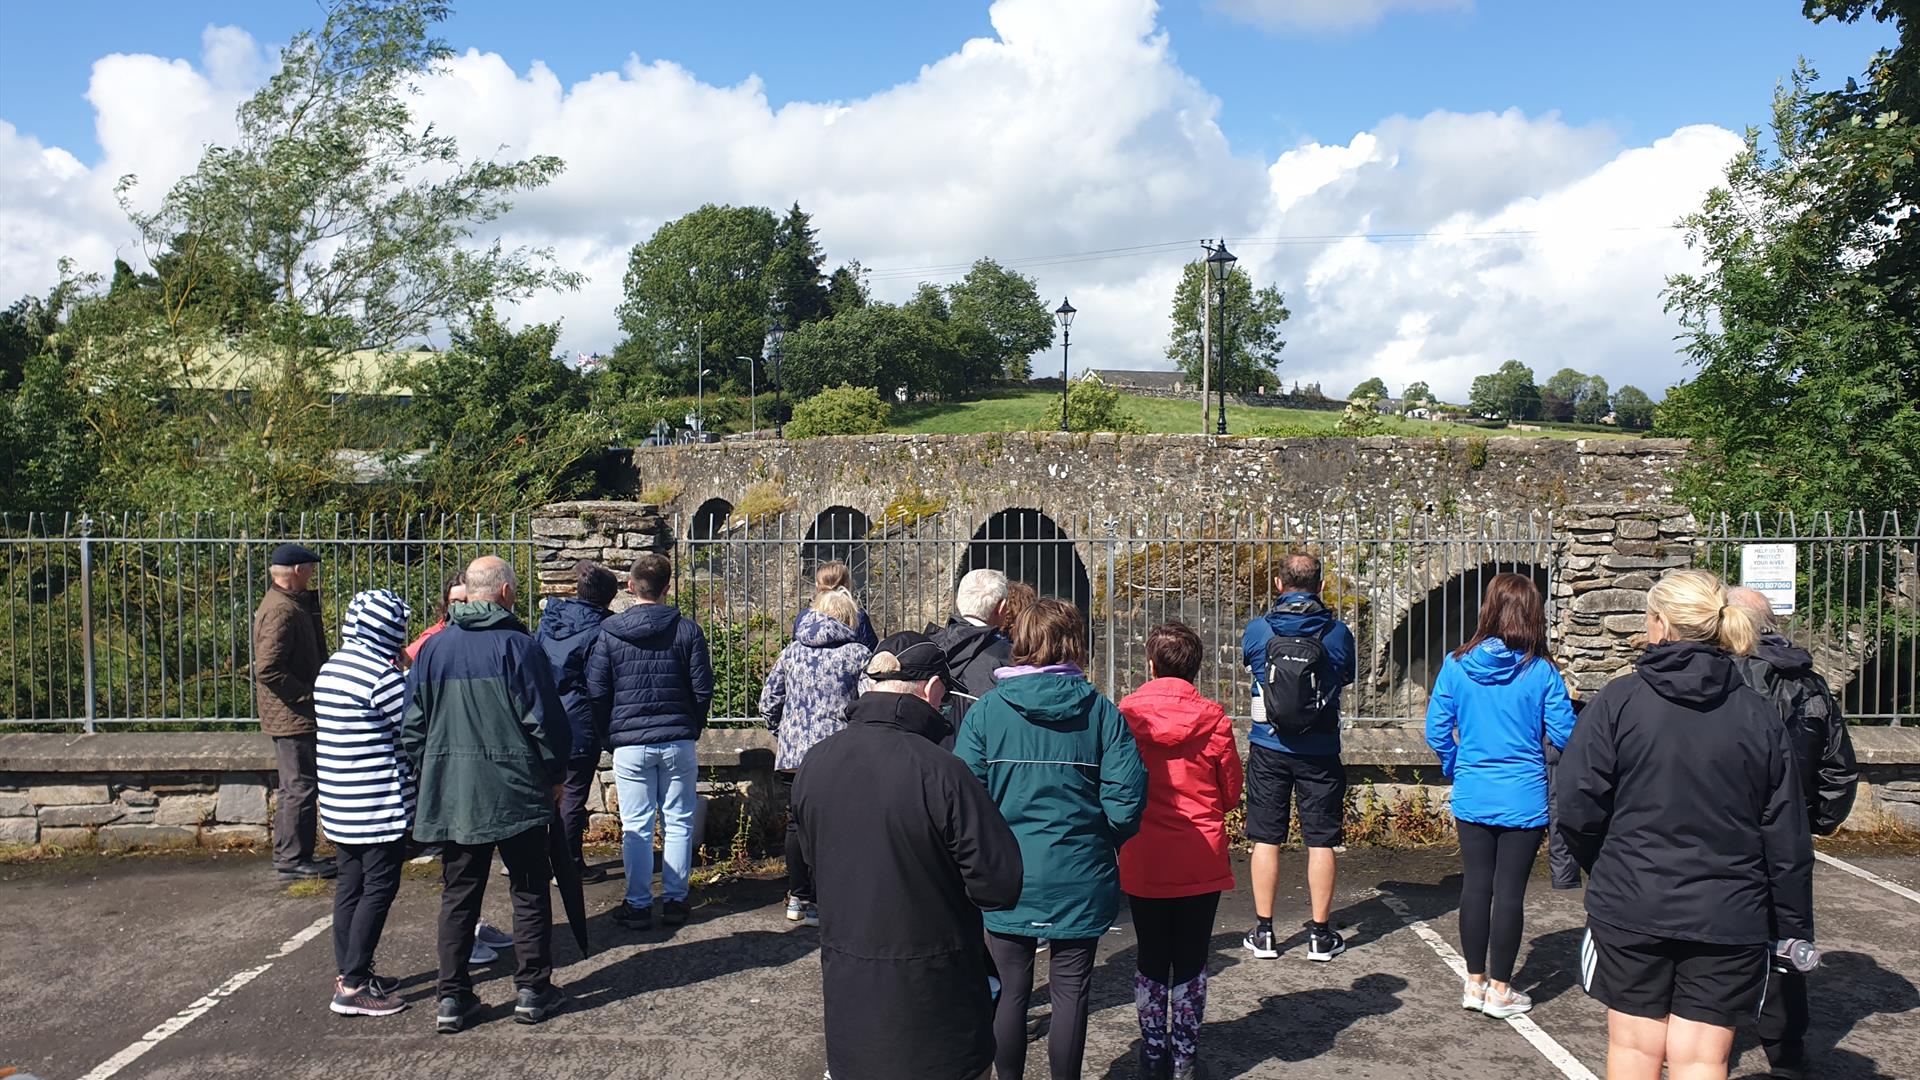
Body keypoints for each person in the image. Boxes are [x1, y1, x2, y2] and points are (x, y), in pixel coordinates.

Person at [1557, 569, 1813, 1080]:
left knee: (1633, 1052)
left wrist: (1605, 865)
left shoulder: (1619, 701)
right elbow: (1786, 831)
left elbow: (1577, 803)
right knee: (1702, 1059)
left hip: (1634, 898)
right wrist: (1793, 928)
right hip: (1728, 910)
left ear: (1659, 623)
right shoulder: (1757, 714)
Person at [792, 633, 1024, 1080]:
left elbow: (812, 865)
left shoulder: (816, 762)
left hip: (850, 1000)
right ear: (934, 688)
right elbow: (999, 883)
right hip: (938, 1001)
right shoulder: (943, 771)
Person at [957, 598, 1147, 1080]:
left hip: (1006, 873)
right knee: (1071, 992)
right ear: (1074, 644)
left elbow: (962, 800)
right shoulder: (1101, 713)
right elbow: (1127, 798)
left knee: (1010, 991)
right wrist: (1099, 841)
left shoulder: (986, 714)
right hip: (1080, 870)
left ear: (1020, 641)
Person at [401, 556, 572, 1034]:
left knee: (459, 895)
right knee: (529, 888)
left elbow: (411, 728)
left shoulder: (433, 650)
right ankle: (533, 991)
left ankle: (452, 999)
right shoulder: (519, 646)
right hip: (516, 790)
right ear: (504, 594)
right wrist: (555, 774)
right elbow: (547, 723)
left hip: (454, 792)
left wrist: (435, 769)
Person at [1424, 573, 1576, 1020]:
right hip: (1524, 794)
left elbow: (1437, 729)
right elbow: (1567, 733)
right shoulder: (1541, 670)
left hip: (1473, 790)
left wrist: (1456, 763)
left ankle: (1473, 982)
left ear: (1487, 608)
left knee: (1475, 886)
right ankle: (1502, 988)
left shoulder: (1456, 664)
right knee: (1509, 893)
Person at [1726, 586, 1860, 1080]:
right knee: (1785, 933)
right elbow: (1837, 768)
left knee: (1715, 932)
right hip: (1788, 830)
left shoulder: (1723, 678)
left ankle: (1705, 1029)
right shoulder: (1809, 683)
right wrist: (1815, 822)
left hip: (1725, 829)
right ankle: (1785, 1048)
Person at [1117, 622, 1244, 1080]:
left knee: (1151, 957)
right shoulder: (1213, 719)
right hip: (1199, 852)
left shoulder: (1125, 716)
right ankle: (1185, 1055)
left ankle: (1153, 1050)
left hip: (1143, 852)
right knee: (1191, 959)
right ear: (1196, 668)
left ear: (1150, 666)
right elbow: (1229, 792)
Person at [1239, 552, 1356, 962]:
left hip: (1269, 747)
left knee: (1265, 839)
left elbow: (1254, 670)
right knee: (1321, 841)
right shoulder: (1338, 634)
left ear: (1277, 584)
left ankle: (1265, 932)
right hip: (1320, 750)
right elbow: (1345, 677)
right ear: (1321, 586)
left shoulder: (1258, 630)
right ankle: (1320, 936)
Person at [588, 552, 714, 931]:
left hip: (629, 741)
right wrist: (692, 725)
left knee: (637, 826)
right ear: (667, 587)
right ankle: (676, 900)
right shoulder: (688, 630)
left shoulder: (609, 633)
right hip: (677, 738)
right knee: (678, 821)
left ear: (630, 586)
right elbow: (703, 687)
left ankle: (639, 904)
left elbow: (596, 690)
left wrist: (610, 735)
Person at [315, 588, 415, 1018]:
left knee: (349, 888)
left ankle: (349, 971)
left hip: (341, 803)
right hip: (377, 804)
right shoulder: (380, 675)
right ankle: (353, 987)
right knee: (379, 888)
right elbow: (415, 726)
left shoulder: (332, 667)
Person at [760, 587, 872, 926]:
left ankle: (798, 897)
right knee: (840, 825)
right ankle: (829, 898)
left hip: (795, 756)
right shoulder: (857, 655)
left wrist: (785, 734)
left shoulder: (792, 652)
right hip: (841, 753)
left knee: (797, 823)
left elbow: (768, 703)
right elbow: (868, 704)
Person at [535, 560, 619, 884]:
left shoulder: (550, 619)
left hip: (544, 716)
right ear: (607, 598)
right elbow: (599, 683)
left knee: (546, 791)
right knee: (572, 794)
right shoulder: (602, 630)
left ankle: (538, 857)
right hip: (579, 720)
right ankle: (566, 864)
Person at [254, 543, 334, 880]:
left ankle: (296, 855)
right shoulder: (282, 610)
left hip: (291, 713)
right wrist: (306, 694)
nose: (313, 574)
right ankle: (291, 858)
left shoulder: (288, 604)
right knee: (299, 786)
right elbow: (268, 668)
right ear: (298, 570)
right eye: (310, 568)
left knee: (297, 785)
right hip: (292, 715)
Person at [928, 568, 1013, 740]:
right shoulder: (1009, 658)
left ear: (958, 601)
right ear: (1002, 608)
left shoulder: (923, 648)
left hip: (928, 750)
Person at [793, 560, 878, 650]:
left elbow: (796, 645)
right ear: (847, 585)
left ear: (817, 586)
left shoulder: (803, 617)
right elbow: (872, 650)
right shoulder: (857, 616)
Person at [408, 571, 465, 662]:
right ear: (446, 604)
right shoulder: (433, 636)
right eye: (454, 602)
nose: (461, 606)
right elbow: (406, 660)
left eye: (466, 601)